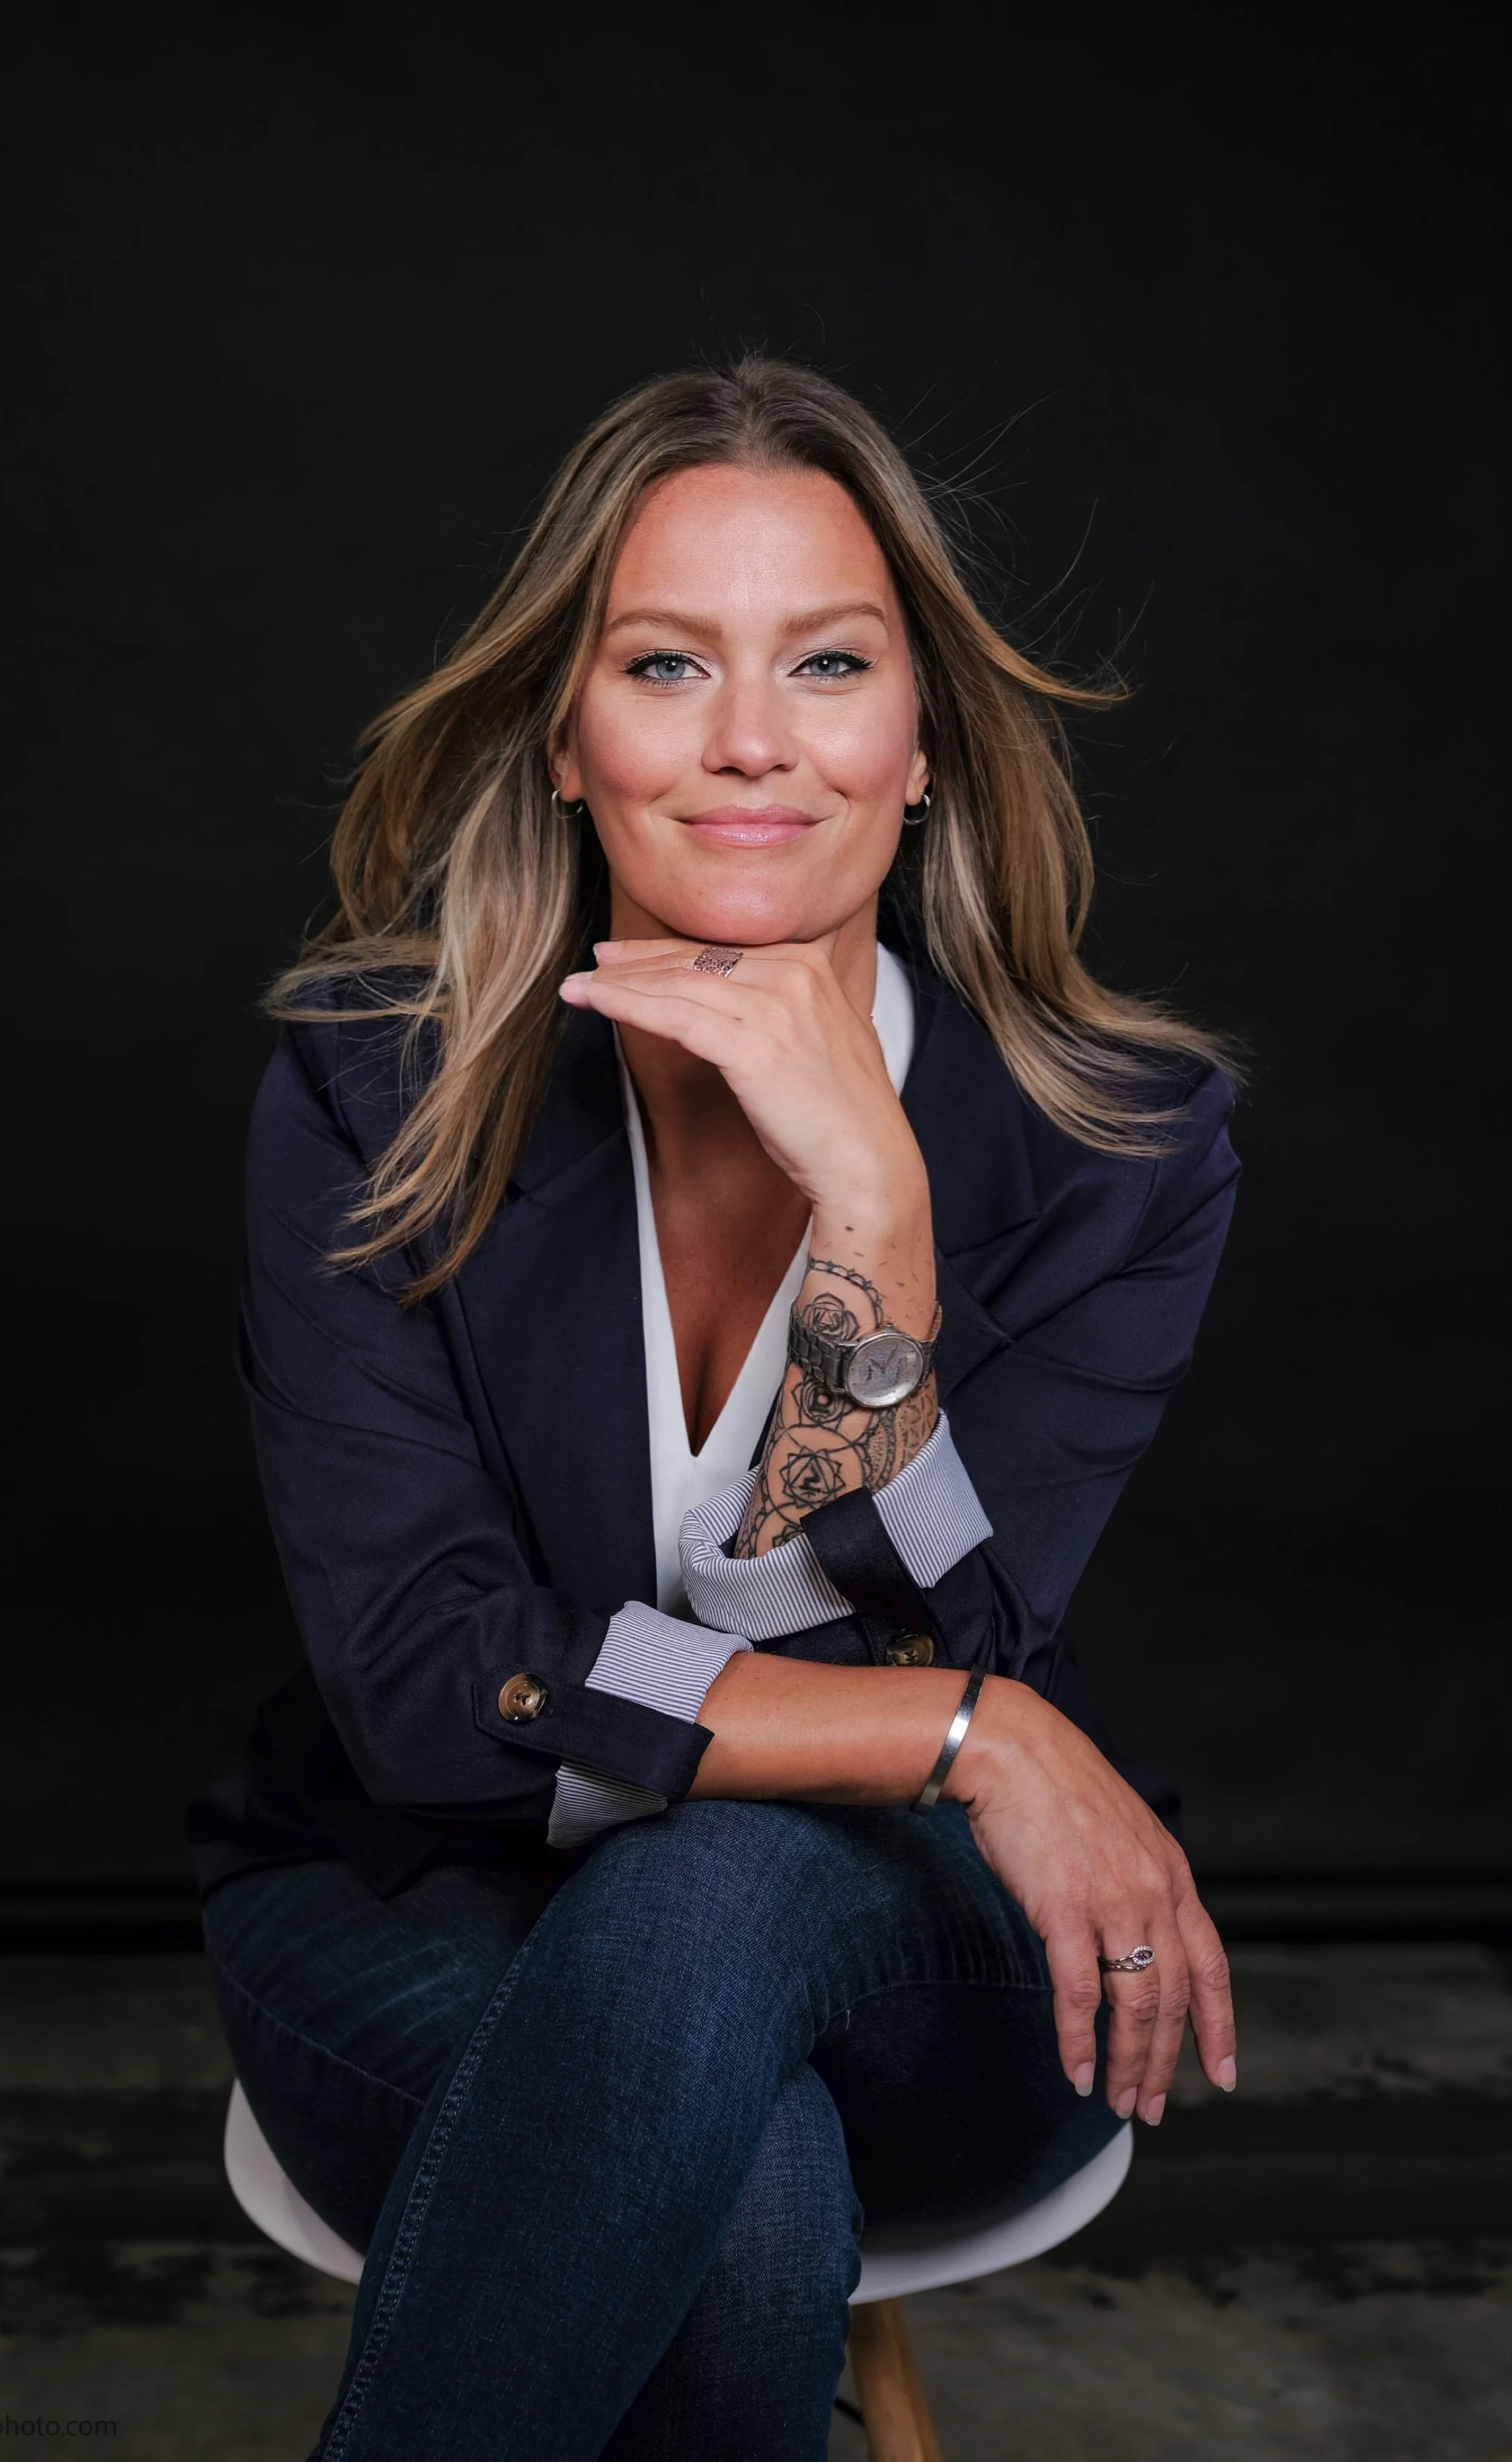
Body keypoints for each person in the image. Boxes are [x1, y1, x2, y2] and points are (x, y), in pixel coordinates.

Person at [188, 356, 1241, 2462]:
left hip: (909, 1943)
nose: (751, 739)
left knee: (719, 1892)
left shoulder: (1118, 1149)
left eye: (827, 663)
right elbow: (424, 1693)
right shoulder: (365, 1094)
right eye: (666, 665)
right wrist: (977, 1737)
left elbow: (923, 1643)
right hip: (419, 1898)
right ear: (568, 743)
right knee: (731, 2184)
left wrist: (877, 1211)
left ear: (918, 740)